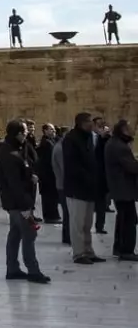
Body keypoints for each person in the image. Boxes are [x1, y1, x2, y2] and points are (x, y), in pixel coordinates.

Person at [0, 119, 49, 283]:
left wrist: (29, 175)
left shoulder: (13, 149)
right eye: (25, 132)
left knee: (15, 234)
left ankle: (12, 268)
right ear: (18, 133)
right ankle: (33, 270)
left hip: (15, 202)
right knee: (29, 234)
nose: (27, 134)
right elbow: (14, 183)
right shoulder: (9, 153)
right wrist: (26, 206)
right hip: (19, 203)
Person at [62, 112, 103, 265]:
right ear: (81, 123)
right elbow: (73, 165)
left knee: (87, 224)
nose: (92, 124)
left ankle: (88, 251)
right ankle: (79, 253)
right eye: (89, 121)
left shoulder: (88, 138)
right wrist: (88, 177)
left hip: (88, 189)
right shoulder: (71, 139)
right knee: (77, 223)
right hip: (76, 188)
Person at [104, 119, 138, 261]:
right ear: (123, 130)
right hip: (124, 189)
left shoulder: (113, 143)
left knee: (123, 219)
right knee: (129, 220)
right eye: (129, 128)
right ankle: (127, 251)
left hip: (119, 188)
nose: (132, 130)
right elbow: (132, 168)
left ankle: (119, 248)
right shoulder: (120, 146)